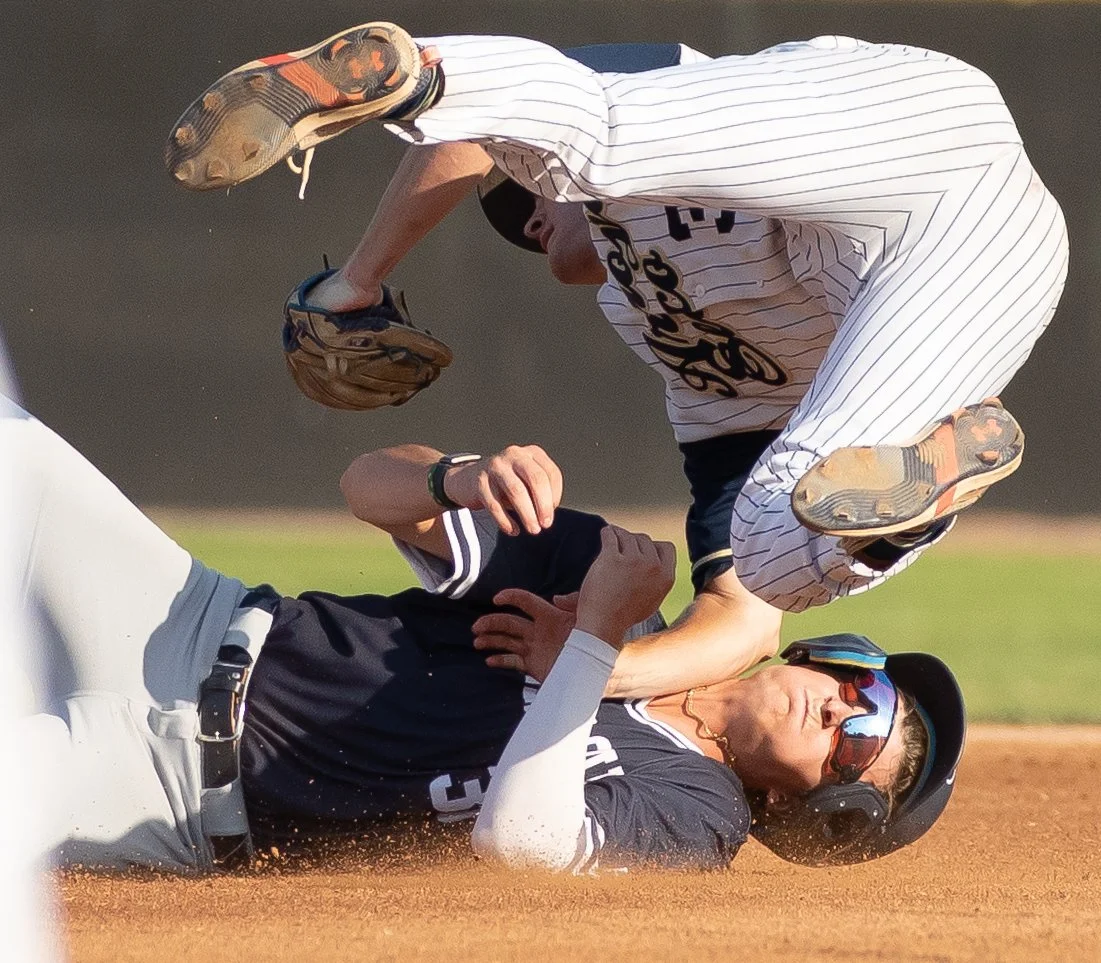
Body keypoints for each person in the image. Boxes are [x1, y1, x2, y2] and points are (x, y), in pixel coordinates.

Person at [165, 26, 1069, 693]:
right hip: (967, 257)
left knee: (596, 131)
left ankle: (413, 71)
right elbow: (738, 619)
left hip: (873, 130)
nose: (527, 220)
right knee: (774, 554)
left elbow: (505, 127)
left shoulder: (627, 154)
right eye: (516, 217)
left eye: (523, 202)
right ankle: (931, 481)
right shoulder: (669, 345)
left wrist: (357, 281)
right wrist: (594, 666)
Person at [8, 394, 964, 874]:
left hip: (165, 792)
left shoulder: (694, 814)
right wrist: (456, 477)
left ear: (811, 807)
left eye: (855, 745)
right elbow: (367, 485)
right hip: (190, 617)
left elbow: (526, 840)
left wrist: (587, 650)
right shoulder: (620, 578)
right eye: (863, 688)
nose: (840, 707)